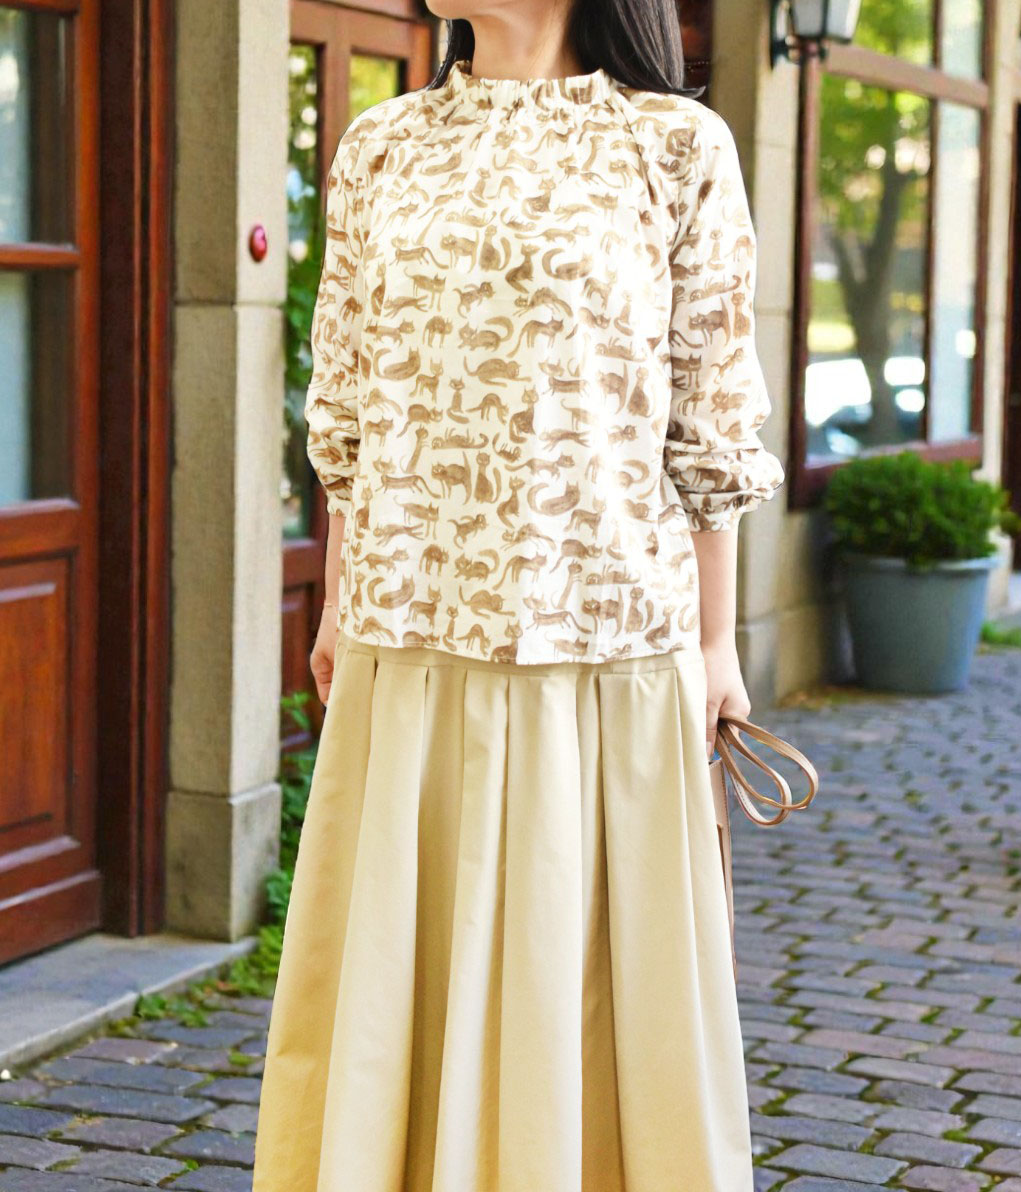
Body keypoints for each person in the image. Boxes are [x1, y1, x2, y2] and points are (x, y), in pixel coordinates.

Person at [252, 0, 784, 1187]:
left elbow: (709, 422)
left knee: (581, 991)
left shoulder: (674, 147)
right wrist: (337, 602)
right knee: (392, 984)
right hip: (408, 632)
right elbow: (346, 412)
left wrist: (715, 645)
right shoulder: (382, 147)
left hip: (602, 638)